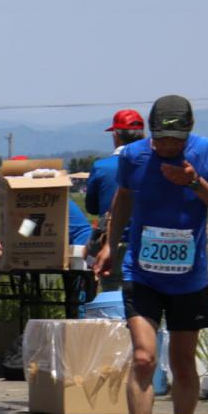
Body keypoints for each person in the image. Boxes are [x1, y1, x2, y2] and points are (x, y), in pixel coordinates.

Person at [93, 94, 208, 414]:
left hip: (189, 277)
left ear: (187, 135)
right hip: (142, 273)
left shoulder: (206, 153)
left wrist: (195, 182)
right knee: (144, 357)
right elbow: (123, 198)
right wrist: (111, 243)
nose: (164, 147)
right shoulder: (134, 157)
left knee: (183, 362)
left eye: (173, 141)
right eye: (158, 139)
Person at [86, 110, 144, 287]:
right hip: (146, 241)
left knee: (112, 289)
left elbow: (92, 207)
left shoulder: (101, 167)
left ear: (116, 135)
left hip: (113, 242)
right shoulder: (150, 165)